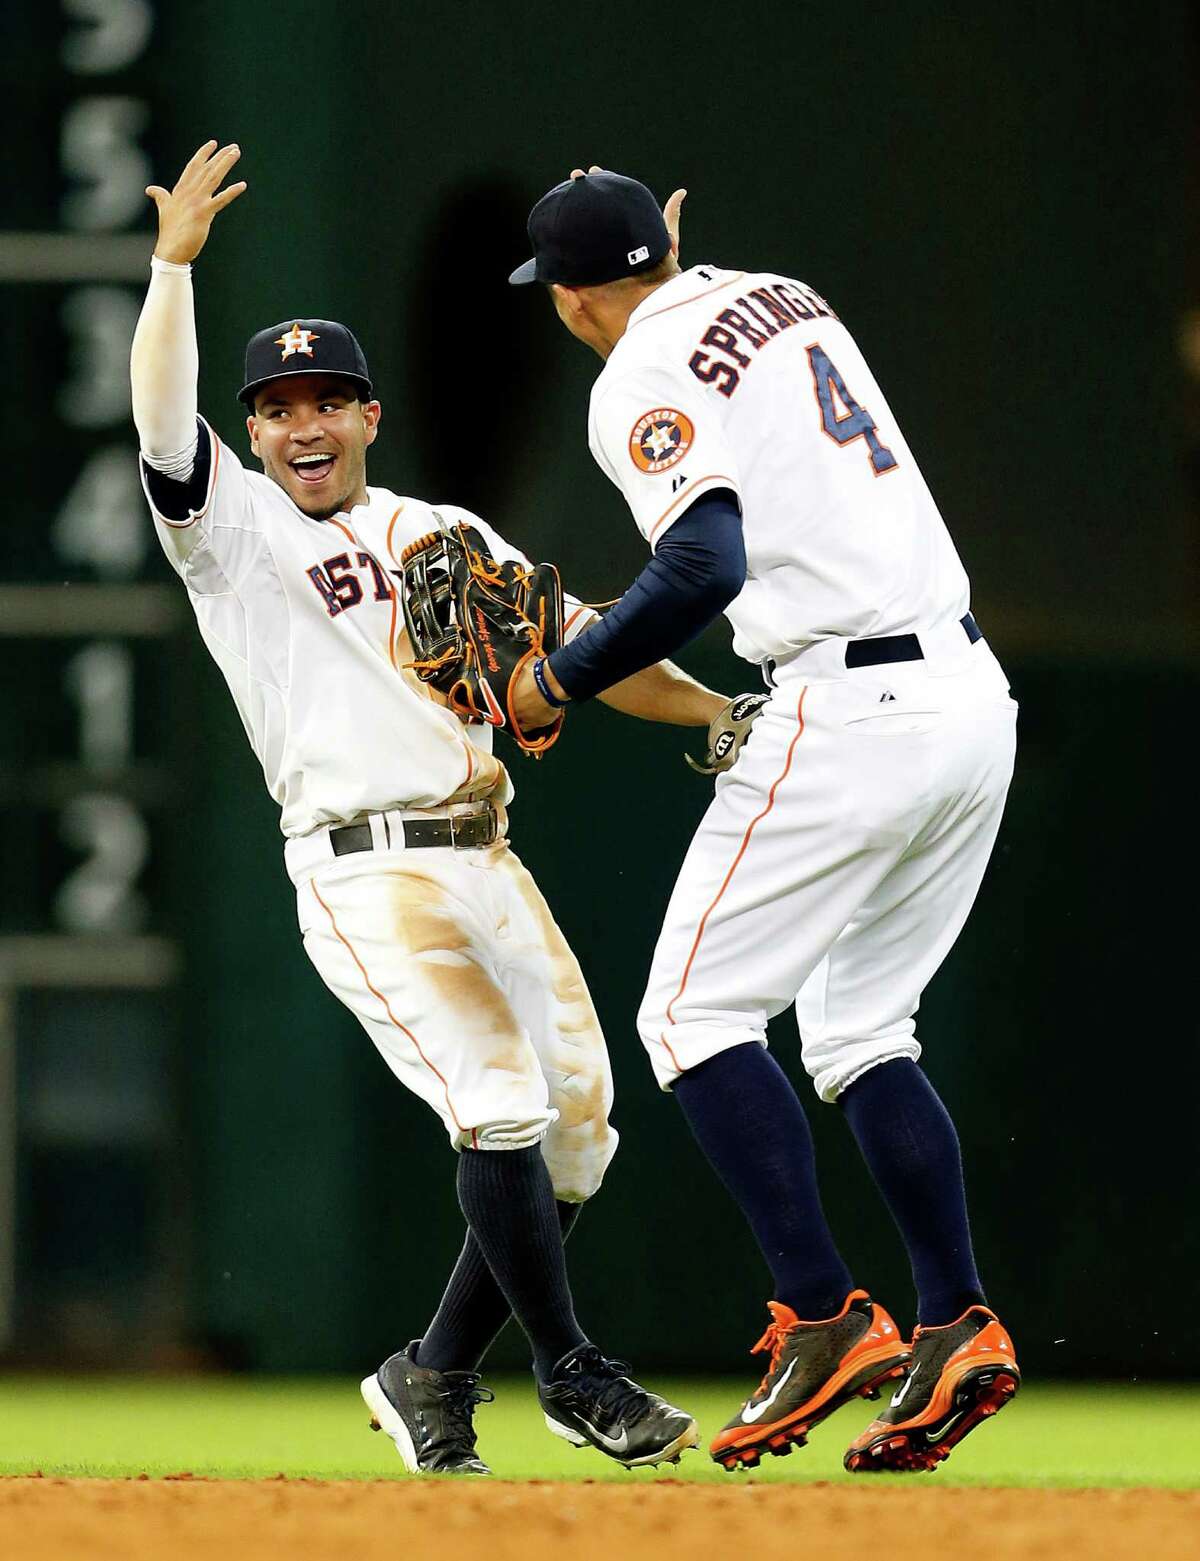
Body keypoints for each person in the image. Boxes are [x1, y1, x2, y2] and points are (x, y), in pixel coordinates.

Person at [129, 142, 724, 1475]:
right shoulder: (231, 537)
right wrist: (172, 272)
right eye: (276, 406)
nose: (301, 425)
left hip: (487, 855)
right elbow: (167, 429)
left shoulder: (443, 536)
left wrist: (722, 715)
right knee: (499, 1094)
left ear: (369, 418)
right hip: (364, 872)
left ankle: (432, 1369)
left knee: (579, 1130)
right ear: (259, 430)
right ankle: (574, 1370)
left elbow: (592, 642)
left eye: (327, 400)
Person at [507, 168, 1021, 1474]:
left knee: (691, 1015)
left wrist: (559, 675)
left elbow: (705, 564)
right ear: (670, 239)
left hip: (847, 701)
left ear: (569, 296)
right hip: (969, 694)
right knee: (860, 1029)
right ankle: (957, 1316)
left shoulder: (630, 375)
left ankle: (824, 1309)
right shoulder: (786, 296)